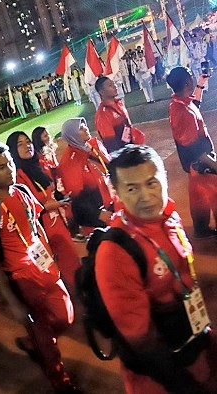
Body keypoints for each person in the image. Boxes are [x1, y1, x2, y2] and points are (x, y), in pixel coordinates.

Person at [95, 145, 213, 393]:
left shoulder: (168, 217)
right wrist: (183, 385)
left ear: (164, 179)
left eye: (152, 183)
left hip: (189, 341)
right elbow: (141, 338)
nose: (146, 196)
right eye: (131, 188)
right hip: (158, 375)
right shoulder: (116, 251)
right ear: (115, 192)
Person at [0, 141, 77, 392]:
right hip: (22, 278)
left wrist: (50, 257)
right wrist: (14, 303)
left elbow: (35, 225)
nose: (8, 169)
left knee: (66, 316)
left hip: (44, 267)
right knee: (45, 336)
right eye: (0, 167)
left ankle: (34, 342)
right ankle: (60, 382)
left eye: (9, 163)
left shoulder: (22, 191)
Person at [7, 132, 80, 287]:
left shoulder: (36, 166)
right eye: (20, 144)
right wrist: (55, 204)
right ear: (13, 150)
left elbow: (48, 191)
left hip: (56, 223)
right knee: (55, 270)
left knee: (70, 261)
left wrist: (60, 198)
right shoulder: (18, 177)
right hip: (43, 230)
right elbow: (29, 209)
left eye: (28, 141)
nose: (27, 145)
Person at [166, 66, 217, 238]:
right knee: (213, 195)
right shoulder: (182, 111)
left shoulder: (180, 103)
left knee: (199, 198)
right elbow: (193, 148)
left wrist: (201, 84)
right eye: (191, 76)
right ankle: (202, 230)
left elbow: (195, 103)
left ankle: (201, 229)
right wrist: (213, 164)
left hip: (196, 166)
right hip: (201, 163)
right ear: (187, 83)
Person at [58, 118, 114, 232]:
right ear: (72, 135)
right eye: (81, 128)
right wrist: (97, 214)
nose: (86, 129)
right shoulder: (69, 161)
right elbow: (76, 197)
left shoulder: (92, 145)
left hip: (112, 203)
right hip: (98, 217)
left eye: (85, 125)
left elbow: (109, 165)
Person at [94, 76, 145, 153]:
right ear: (102, 92)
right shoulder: (103, 114)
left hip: (131, 148)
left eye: (113, 83)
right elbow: (110, 143)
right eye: (110, 85)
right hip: (123, 155)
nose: (115, 86)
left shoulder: (119, 103)